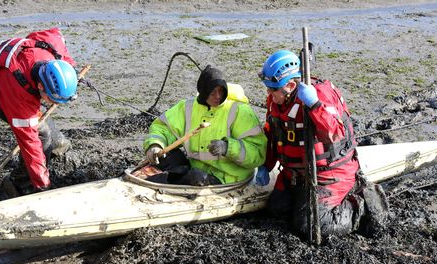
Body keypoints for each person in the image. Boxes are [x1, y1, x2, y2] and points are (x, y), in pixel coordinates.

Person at [255, 49, 389, 237]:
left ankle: (361, 203)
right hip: (296, 174)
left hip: (330, 173)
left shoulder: (319, 94)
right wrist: (266, 166)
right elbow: (274, 135)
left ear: (291, 85)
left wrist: (315, 105)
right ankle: (304, 200)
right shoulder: (275, 100)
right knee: (277, 209)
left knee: (311, 226)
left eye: (272, 89)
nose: (269, 92)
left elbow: (335, 134)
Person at [0, 28, 78, 196]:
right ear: (41, 86)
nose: (54, 104)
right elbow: (30, 143)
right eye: (53, 100)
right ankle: (18, 182)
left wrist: (71, 71)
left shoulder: (51, 49)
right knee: (42, 136)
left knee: (51, 138)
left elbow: (56, 35)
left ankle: (56, 149)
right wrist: (43, 186)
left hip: (18, 68)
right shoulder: (20, 97)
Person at [142, 65, 267, 185]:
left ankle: (170, 180)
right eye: (213, 92)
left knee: (194, 177)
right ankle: (173, 179)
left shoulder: (240, 111)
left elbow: (258, 152)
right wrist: (155, 145)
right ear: (203, 92)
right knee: (164, 155)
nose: (218, 96)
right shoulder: (187, 107)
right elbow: (163, 128)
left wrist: (227, 147)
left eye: (221, 92)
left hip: (228, 177)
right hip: (196, 168)